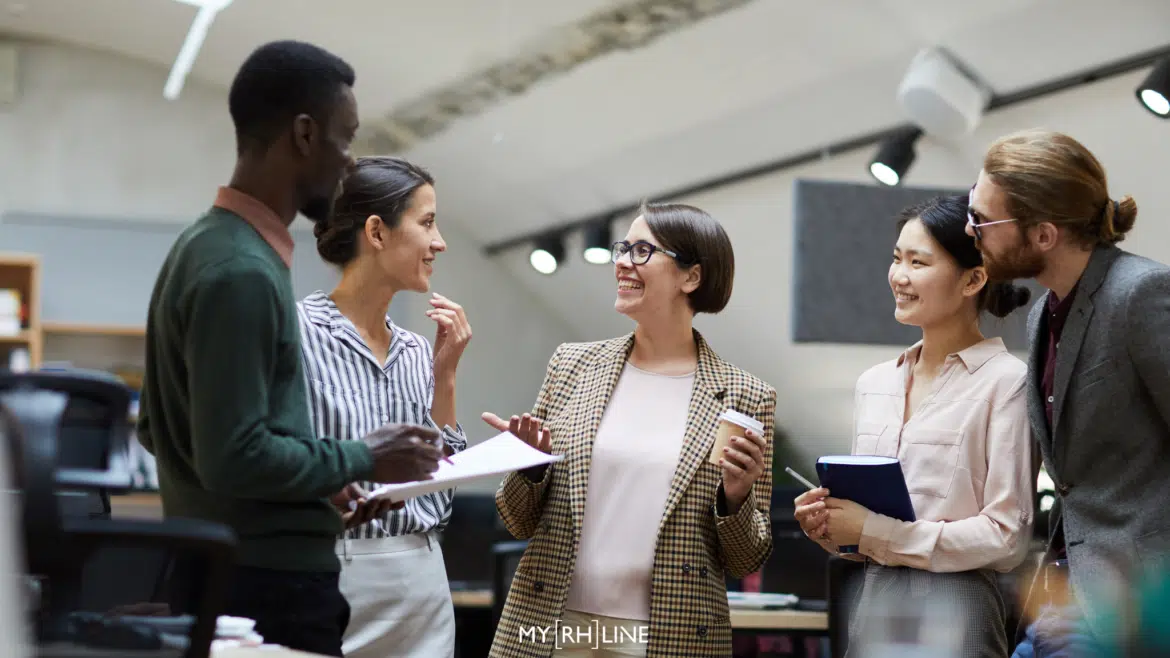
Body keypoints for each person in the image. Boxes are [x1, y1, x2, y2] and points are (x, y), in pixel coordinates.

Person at [135, 41, 443, 657]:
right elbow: (234, 455)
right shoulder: (241, 269)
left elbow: (159, 430)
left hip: (236, 568)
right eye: (344, 139)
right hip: (265, 585)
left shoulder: (210, 246)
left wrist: (318, 484)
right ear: (305, 134)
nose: (348, 164)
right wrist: (360, 456)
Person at [483, 202, 777, 658]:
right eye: (624, 248)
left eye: (642, 251)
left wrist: (735, 498)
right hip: (551, 623)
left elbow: (745, 558)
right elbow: (517, 519)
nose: (621, 261)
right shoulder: (572, 366)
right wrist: (530, 468)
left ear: (691, 277)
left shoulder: (745, 396)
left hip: (668, 635)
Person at [794, 194, 1036, 658]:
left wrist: (875, 531)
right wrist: (830, 525)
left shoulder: (1007, 383)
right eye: (896, 258)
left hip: (960, 608)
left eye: (918, 262)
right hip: (872, 601)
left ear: (973, 279)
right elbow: (866, 529)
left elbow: (1007, 538)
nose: (899, 276)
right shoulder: (874, 383)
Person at [965, 129, 1170, 654]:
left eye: (984, 220)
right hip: (1063, 596)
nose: (971, 230)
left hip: (1133, 605)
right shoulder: (1040, 316)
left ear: (1044, 234)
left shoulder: (1139, 294)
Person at [297, 155, 471, 658]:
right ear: (377, 232)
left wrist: (445, 377)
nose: (439, 242)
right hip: (330, 578)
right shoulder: (294, 334)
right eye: (428, 222)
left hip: (423, 586)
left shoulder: (419, 351)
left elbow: (436, 505)